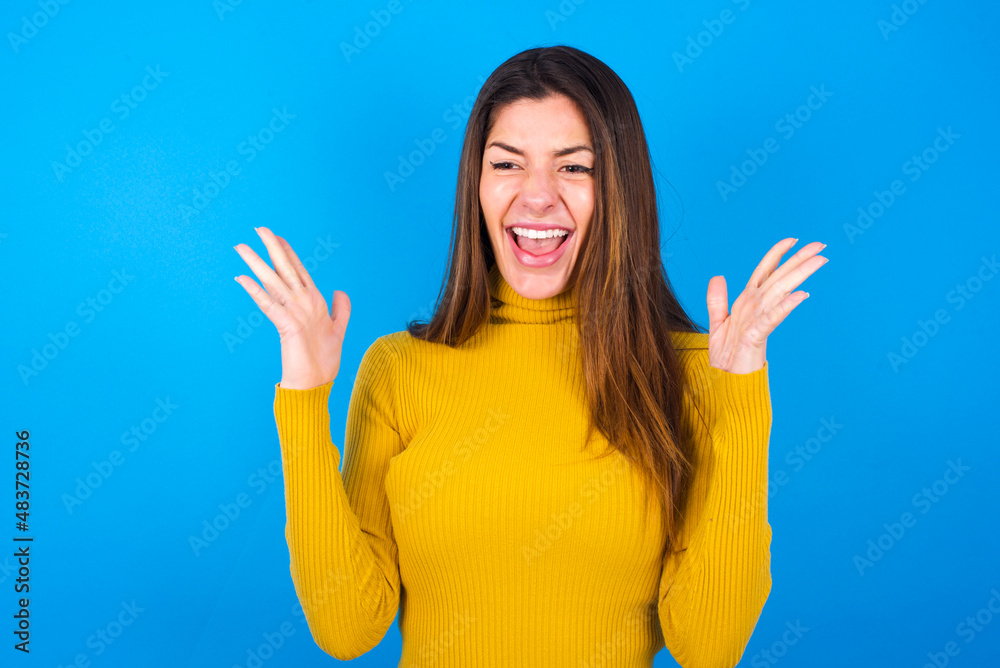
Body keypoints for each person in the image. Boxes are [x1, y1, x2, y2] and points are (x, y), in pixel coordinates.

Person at [233, 45, 827, 667]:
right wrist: (302, 398)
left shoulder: (691, 372)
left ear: (619, 189)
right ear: (477, 184)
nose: (537, 197)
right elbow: (346, 628)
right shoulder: (398, 370)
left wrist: (738, 399)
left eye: (574, 168)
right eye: (507, 164)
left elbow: (710, 647)